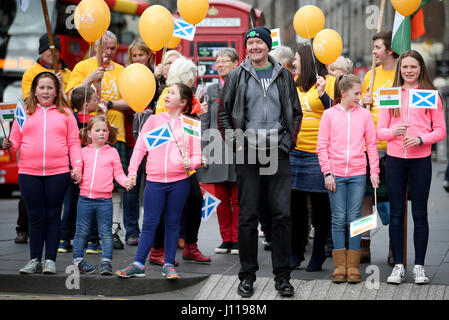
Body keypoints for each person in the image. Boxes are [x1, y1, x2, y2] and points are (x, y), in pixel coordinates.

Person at [218, 26, 302, 298]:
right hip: (248, 152)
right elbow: (223, 116)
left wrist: (288, 142)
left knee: (281, 215)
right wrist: (235, 143)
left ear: (268, 46)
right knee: (248, 216)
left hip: (277, 150)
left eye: (259, 43)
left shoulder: (285, 76)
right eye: (250, 43)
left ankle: (282, 277)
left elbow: (296, 113)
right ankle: (247, 276)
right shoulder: (235, 76)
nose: (254, 47)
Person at [116, 83, 202, 280]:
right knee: (149, 224)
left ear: (183, 102)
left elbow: (199, 156)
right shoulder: (154, 120)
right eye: (167, 92)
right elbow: (139, 149)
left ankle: (169, 264)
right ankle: (138, 264)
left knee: (172, 223)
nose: (167, 95)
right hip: (154, 182)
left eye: (172, 93)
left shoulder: (190, 125)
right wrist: (131, 172)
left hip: (179, 182)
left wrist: (192, 163)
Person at [2, 71, 82, 274]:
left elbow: (74, 143)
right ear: (35, 91)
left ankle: (50, 261)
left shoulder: (66, 113)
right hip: (29, 172)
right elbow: (14, 143)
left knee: (53, 215)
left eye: (50, 87)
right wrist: (7, 145)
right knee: (35, 216)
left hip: (58, 172)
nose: (46, 91)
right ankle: (34, 259)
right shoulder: (23, 111)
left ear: (56, 91)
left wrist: (77, 166)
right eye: (42, 87)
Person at [377, 50, 446, 285]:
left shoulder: (429, 95)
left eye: (413, 67)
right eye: (404, 67)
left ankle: (419, 267)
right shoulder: (390, 94)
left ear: (421, 68)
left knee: (420, 214)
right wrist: (392, 132)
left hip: (420, 160)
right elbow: (380, 130)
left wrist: (420, 139)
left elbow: (440, 130)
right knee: (396, 214)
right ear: (400, 69)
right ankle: (398, 266)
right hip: (395, 159)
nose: (408, 71)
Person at [66, 30, 129, 250]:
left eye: (112, 48)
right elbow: (69, 96)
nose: (109, 52)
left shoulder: (122, 71)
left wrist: (110, 104)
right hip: (88, 133)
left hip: (115, 133)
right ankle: (87, 234)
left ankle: (110, 231)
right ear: (95, 47)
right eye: (105, 48)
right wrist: (90, 79)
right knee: (87, 185)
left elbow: (132, 101)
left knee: (112, 186)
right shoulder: (82, 67)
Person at [317, 74, 379, 283]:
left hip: (357, 174)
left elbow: (371, 145)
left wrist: (374, 172)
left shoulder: (364, 115)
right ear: (343, 93)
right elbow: (322, 146)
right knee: (338, 218)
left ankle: (352, 267)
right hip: (335, 174)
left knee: (356, 219)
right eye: (356, 93)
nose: (359, 97)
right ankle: (339, 266)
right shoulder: (329, 115)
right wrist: (327, 172)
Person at [151, 57, 211, 265]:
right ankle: (157, 250)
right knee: (165, 207)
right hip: (168, 162)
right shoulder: (167, 97)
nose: (194, 80)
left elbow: (188, 128)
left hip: (186, 162)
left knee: (196, 201)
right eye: (192, 76)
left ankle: (190, 246)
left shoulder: (188, 97)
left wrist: (196, 116)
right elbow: (167, 127)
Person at [15, 33, 72, 244]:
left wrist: (61, 88)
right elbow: (28, 100)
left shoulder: (67, 72)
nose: (52, 53)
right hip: (33, 135)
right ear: (41, 52)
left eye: (56, 49)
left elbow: (69, 103)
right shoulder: (31, 73)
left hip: (56, 139)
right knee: (29, 192)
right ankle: (23, 228)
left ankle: (56, 232)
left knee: (53, 197)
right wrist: (49, 86)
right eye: (48, 50)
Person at [290, 44, 335, 272]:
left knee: (320, 206)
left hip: (319, 153)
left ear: (306, 60)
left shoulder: (330, 81)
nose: (293, 62)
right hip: (295, 151)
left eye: (296, 59)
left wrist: (323, 94)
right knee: (296, 206)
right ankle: (296, 252)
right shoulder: (294, 84)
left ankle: (318, 254)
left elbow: (337, 112)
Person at [71, 116, 131, 275]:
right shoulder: (83, 152)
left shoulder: (112, 152)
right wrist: (76, 174)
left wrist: (125, 182)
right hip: (84, 199)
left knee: (105, 232)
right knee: (81, 231)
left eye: (104, 130)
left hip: (105, 200)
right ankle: (78, 261)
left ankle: (106, 263)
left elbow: (118, 173)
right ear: (89, 133)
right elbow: (77, 169)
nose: (101, 133)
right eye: (97, 130)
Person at [196, 48, 240, 255]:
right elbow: (204, 122)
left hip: (238, 147)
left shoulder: (243, 86)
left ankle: (238, 239)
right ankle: (226, 239)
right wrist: (203, 149)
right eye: (218, 61)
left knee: (238, 198)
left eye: (225, 61)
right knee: (221, 197)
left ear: (236, 64)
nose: (220, 64)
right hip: (216, 148)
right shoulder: (210, 90)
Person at [361, 31, 399, 265]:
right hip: (369, 147)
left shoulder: (402, 75)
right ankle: (364, 244)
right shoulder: (369, 76)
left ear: (390, 50)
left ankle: (396, 247)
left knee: (395, 199)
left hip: (394, 148)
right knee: (364, 198)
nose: (373, 51)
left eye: (377, 47)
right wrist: (363, 103)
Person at [58, 86, 105, 254]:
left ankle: (63, 239)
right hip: (90, 168)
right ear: (86, 105)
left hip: (73, 165)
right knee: (91, 203)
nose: (97, 102)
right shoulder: (96, 121)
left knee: (69, 204)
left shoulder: (70, 119)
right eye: (94, 100)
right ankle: (92, 241)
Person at [121, 37, 156, 246]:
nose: (137, 59)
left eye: (141, 55)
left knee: (152, 186)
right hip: (132, 139)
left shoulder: (155, 75)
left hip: (154, 140)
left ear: (148, 56)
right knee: (131, 186)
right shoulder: (127, 76)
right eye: (134, 56)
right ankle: (131, 231)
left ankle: (152, 230)